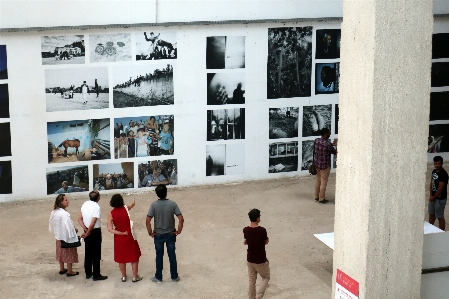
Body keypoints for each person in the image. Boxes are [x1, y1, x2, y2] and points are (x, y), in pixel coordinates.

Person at [146, 185, 184, 283]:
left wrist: (150, 232)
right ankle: (174, 277)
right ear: (166, 193)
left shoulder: (154, 205)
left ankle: (158, 277)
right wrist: (179, 230)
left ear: (157, 194)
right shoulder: (172, 204)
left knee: (159, 256)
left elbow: (148, 219)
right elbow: (180, 218)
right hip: (171, 233)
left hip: (158, 234)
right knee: (172, 255)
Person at [107, 195, 142, 282]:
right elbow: (131, 205)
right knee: (134, 256)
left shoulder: (111, 213)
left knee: (121, 258)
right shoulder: (125, 208)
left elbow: (110, 229)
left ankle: (123, 276)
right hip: (130, 235)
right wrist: (133, 201)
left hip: (119, 237)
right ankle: (135, 276)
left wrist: (121, 233)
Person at [78, 190, 108, 281]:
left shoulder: (85, 204)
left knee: (88, 252)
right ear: (98, 198)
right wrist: (89, 231)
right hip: (95, 232)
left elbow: (79, 219)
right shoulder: (96, 207)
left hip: (87, 230)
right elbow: (93, 222)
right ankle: (96, 274)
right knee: (96, 253)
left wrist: (86, 230)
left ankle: (88, 273)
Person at [49, 194, 80, 277]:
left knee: (60, 253)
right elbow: (69, 226)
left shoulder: (54, 212)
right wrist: (74, 231)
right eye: (66, 200)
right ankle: (70, 271)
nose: (68, 201)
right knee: (69, 253)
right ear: (61, 202)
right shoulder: (64, 214)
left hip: (58, 236)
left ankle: (62, 268)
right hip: (66, 237)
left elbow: (52, 224)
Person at [243, 209, 270, 299]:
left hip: (250, 259)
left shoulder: (246, 230)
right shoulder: (262, 230)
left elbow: (247, 240)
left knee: (252, 280)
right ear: (257, 218)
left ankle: (251, 297)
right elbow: (265, 241)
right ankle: (258, 296)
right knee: (266, 277)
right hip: (260, 259)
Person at [313, 128, 337, 204]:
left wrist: (331, 144)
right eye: (329, 133)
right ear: (326, 133)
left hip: (317, 164)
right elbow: (333, 152)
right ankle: (321, 198)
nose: (329, 134)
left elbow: (325, 144)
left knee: (318, 180)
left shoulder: (317, 140)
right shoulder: (327, 144)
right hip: (325, 165)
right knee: (324, 182)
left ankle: (316, 196)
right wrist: (334, 145)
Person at [429, 156, 448, 230]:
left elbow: (440, 188)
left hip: (440, 199)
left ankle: (442, 232)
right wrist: (431, 195)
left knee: (440, 216)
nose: (437, 165)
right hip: (432, 198)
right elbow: (432, 183)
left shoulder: (444, 174)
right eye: (435, 163)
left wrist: (433, 197)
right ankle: (430, 230)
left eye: (438, 163)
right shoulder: (434, 171)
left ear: (442, 163)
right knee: (431, 214)